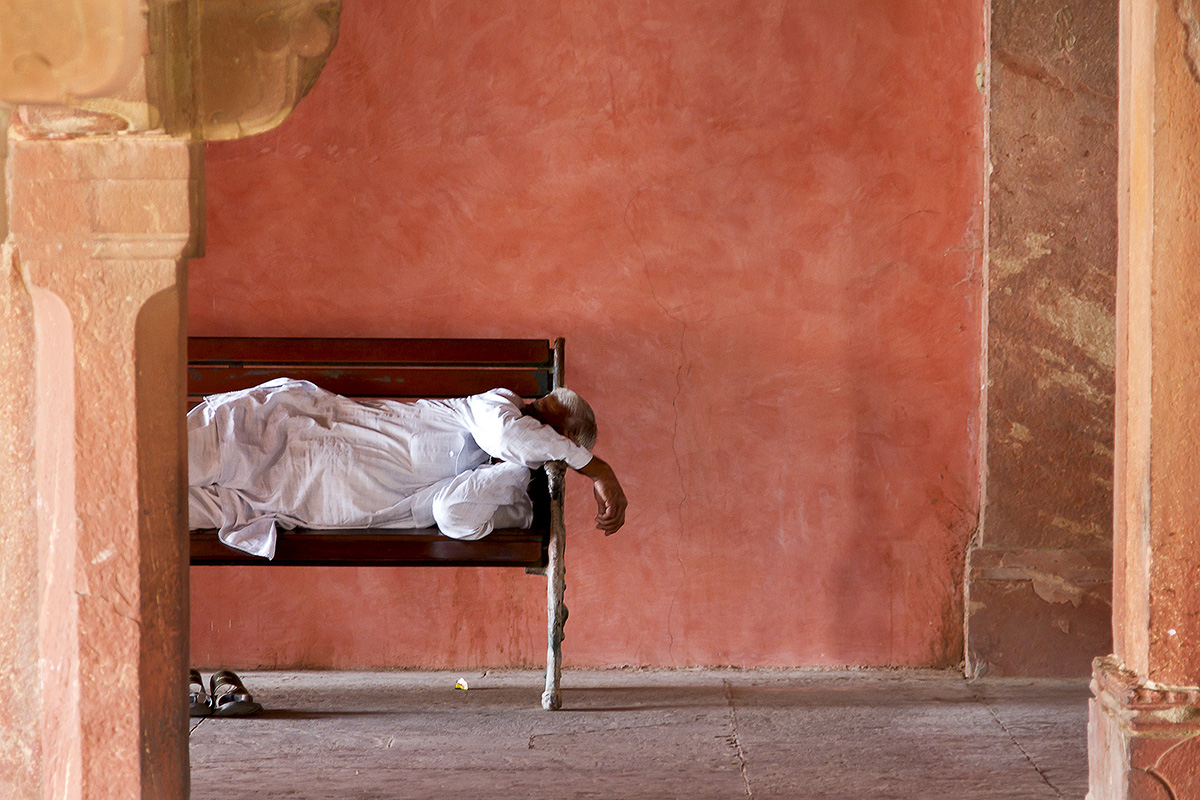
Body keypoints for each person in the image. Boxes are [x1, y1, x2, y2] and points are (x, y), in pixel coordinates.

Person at [188, 378, 627, 558]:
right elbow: (510, 435)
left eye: (543, 417)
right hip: (274, 434)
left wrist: (516, 471)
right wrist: (598, 471)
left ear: (558, 446)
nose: (529, 409)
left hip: (273, 502)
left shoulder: (510, 484)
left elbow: (453, 515)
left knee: (146, 517)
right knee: (145, 464)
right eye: (536, 407)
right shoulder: (491, 409)